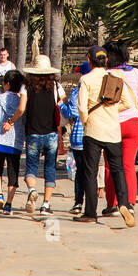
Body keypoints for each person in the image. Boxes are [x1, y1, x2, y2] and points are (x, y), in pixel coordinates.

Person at [75, 44, 136, 227]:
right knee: (118, 170)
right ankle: (124, 204)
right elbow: (128, 102)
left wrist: (87, 120)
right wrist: (112, 111)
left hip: (93, 130)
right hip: (112, 130)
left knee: (91, 172)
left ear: (89, 61)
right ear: (106, 60)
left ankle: (90, 212)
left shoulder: (86, 79)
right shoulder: (115, 77)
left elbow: (81, 107)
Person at [103, 44, 138, 218]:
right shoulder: (136, 73)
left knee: (110, 166)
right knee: (128, 165)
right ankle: (129, 203)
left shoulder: (108, 75)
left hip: (113, 123)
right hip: (133, 123)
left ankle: (113, 204)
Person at [21, 54, 62, 217]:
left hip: (33, 132)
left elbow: (22, 107)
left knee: (31, 166)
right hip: (51, 132)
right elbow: (62, 103)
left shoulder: (26, 86)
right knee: (50, 167)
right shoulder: (55, 85)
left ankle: (32, 190)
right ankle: (46, 204)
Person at [0, 70, 26, 216]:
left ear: (7, 84)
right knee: (13, 172)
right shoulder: (22, 101)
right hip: (16, 141)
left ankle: (0, 196)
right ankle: (9, 204)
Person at [60, 79, 86, 214]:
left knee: (80, 172)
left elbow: (72, 113)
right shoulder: (100, 87)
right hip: (97, 133)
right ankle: (92, 204)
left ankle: (78, 202)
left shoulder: (78, 90)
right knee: (92, 171)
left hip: (80, 134)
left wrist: (62, 106)